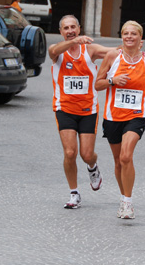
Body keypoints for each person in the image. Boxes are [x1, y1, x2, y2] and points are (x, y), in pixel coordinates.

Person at [95, 21, 145, 219]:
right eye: (125, 33)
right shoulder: (112, 57)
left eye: (133, 34)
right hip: (112, 117)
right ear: (122, 37)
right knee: (118, 162)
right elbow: (97, 84)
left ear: (140, 39)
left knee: (126, 156)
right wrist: (112, 80)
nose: (129, 36)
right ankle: (122, 197)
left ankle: (128, 203)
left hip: (137, 115)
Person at [49, 15, 117, 209]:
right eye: (66, 28)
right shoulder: (57, 52)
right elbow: (53, 50)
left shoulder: (90, 50)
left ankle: (93, 167)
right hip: (65, 108)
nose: (70, 30)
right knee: (70, 152)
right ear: (61, 32)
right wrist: (73, 42)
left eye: (73, 27)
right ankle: (74, 193)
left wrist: (132, 49)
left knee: (87, 155)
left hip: (88, 109)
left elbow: (112, 53)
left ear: (79, 28)